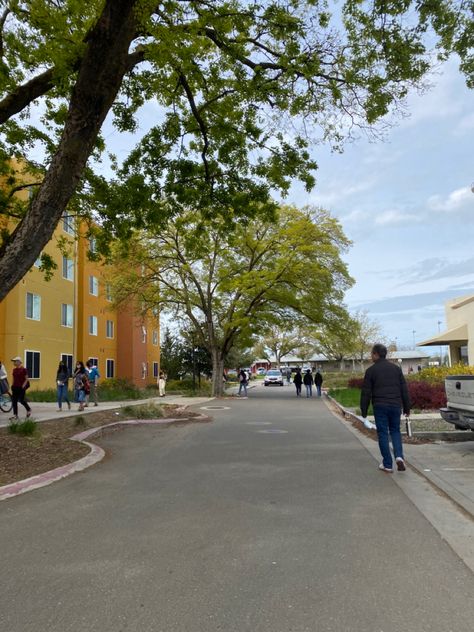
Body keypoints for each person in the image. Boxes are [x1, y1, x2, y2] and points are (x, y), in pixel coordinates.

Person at [360, 343, 411, 473]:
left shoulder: (371, 371)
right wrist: (407, 407)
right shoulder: (396, 369)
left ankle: (387, 464)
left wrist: (364, 411)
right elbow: (404, 389)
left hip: (380, 405)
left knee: (383, 433)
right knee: (395, 431)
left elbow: (366, 393)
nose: (371, 356)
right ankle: (399, 456)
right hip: (395, 405)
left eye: (372, 353)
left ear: (376, 354)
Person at [9, 356, 31, 420]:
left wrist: (23, 386)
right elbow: (13, 378)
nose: (14, 362)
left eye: (15, 361)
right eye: (13, 361)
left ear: (19, 362)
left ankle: (29, 409)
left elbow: (26, 379)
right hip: (14, 387)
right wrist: (12, 385)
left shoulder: (24, 369)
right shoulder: (14, 370)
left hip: (21, 388)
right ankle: (15, 415)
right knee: (14, 401)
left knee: (21, 400)